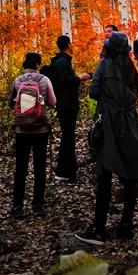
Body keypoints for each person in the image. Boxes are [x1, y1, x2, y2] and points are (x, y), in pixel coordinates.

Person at [75, 31, 138, 244]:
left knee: (104, 174)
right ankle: (127, 225)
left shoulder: (104, 65)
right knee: (131, 174)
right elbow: (136, 91)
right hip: (131, 123)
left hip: (108, 123)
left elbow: (93, 92)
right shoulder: (132, 68)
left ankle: (98, 227)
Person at [9, 51, 56, 217]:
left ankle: (17, 206)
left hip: (21, 129)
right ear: (38, 64)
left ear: (25, 64)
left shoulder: (18, 81)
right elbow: (53, 102)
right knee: (39, 166)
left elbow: (11, 102)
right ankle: (37, 206)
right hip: (40, 129)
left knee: (21, 168)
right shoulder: (44, 80)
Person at [43, 34, 85, 183]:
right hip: (66, 105)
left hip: (66, 104)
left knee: (68, 137)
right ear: (68, 45)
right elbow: (64, 81)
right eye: (71, 44)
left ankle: (64, 170)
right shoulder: (62, 62)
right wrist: (78, 78)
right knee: (68, 138)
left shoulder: (62, 61)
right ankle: (68, 172)